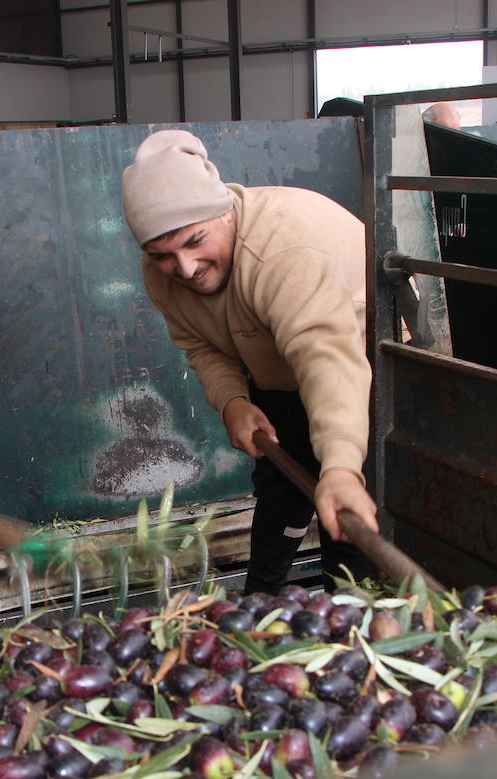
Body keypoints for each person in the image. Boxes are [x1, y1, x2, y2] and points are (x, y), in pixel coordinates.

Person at [120, 129, 379, 596]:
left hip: (359, 359)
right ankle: (260, 601)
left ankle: (350, 617)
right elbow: (203, 345)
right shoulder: (164, 271)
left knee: (346, 510)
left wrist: (341, 465)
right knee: (282, 484)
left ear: (224, 211)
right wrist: (233, 402)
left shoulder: (283, 250)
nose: (185, 267)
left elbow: (327, 360)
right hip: (275, 359)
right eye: (163, 255)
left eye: (196, 240)